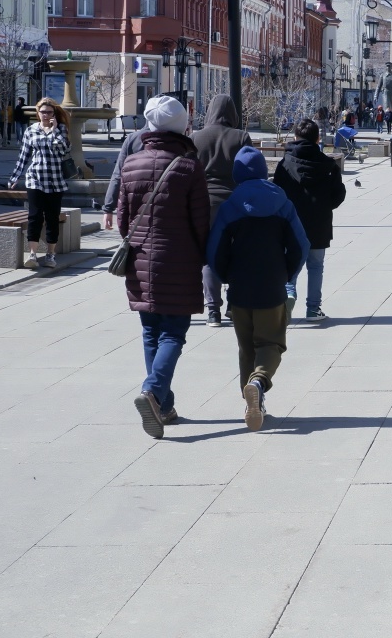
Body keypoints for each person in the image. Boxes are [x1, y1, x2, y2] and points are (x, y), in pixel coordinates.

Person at [118, 95, 210, 439]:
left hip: (140, 259)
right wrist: (206, 258)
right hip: (179, 259)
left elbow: (124, 222)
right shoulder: (188, 166)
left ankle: (164, 406)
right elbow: (201, 221)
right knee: (173, 333)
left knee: (150, 332)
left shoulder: (131, 164)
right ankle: (154, 391)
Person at [208, 146, 308, 431]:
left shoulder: (230, 207)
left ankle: (251, 401)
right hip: (272, 285)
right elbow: (300, 246)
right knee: (271, 342)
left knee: (246, 347)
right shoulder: (283, 203)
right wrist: (287, 273)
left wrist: (226, 276)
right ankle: (258, 382)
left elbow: (215, 250)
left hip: (240, 288)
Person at [189, 95, 253, 328]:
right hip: (234, 202)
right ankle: (233, 306)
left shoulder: (196, 137)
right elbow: (250, 169)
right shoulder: (241, 137)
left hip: (204, 203)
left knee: (209, 256)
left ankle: (212, 311)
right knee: (235, 254)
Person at [274, 119, 345, 322]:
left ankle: (288, 293)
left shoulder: (285, 164)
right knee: (315, 266)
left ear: (295, 137)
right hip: (319, 223)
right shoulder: (328, 164)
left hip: (290, 223)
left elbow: (277, 192)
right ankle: (313, 309)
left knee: (291, 263)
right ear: (318, 138)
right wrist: (324, 207)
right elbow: (338, 194)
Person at [7, 97, 72, 269]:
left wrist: (55, 130)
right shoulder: (31, 130)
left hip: (55, 181)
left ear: (54, 113)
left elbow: (63, 150)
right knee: (34, 216)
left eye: (49, 112)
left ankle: (51, 254)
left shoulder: (61, 129)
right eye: (43, 112)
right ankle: (33, 255)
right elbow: (24, 156)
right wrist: (15, 176)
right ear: (38, 113)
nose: (45, 115)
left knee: (52, 218)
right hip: (35, 178)